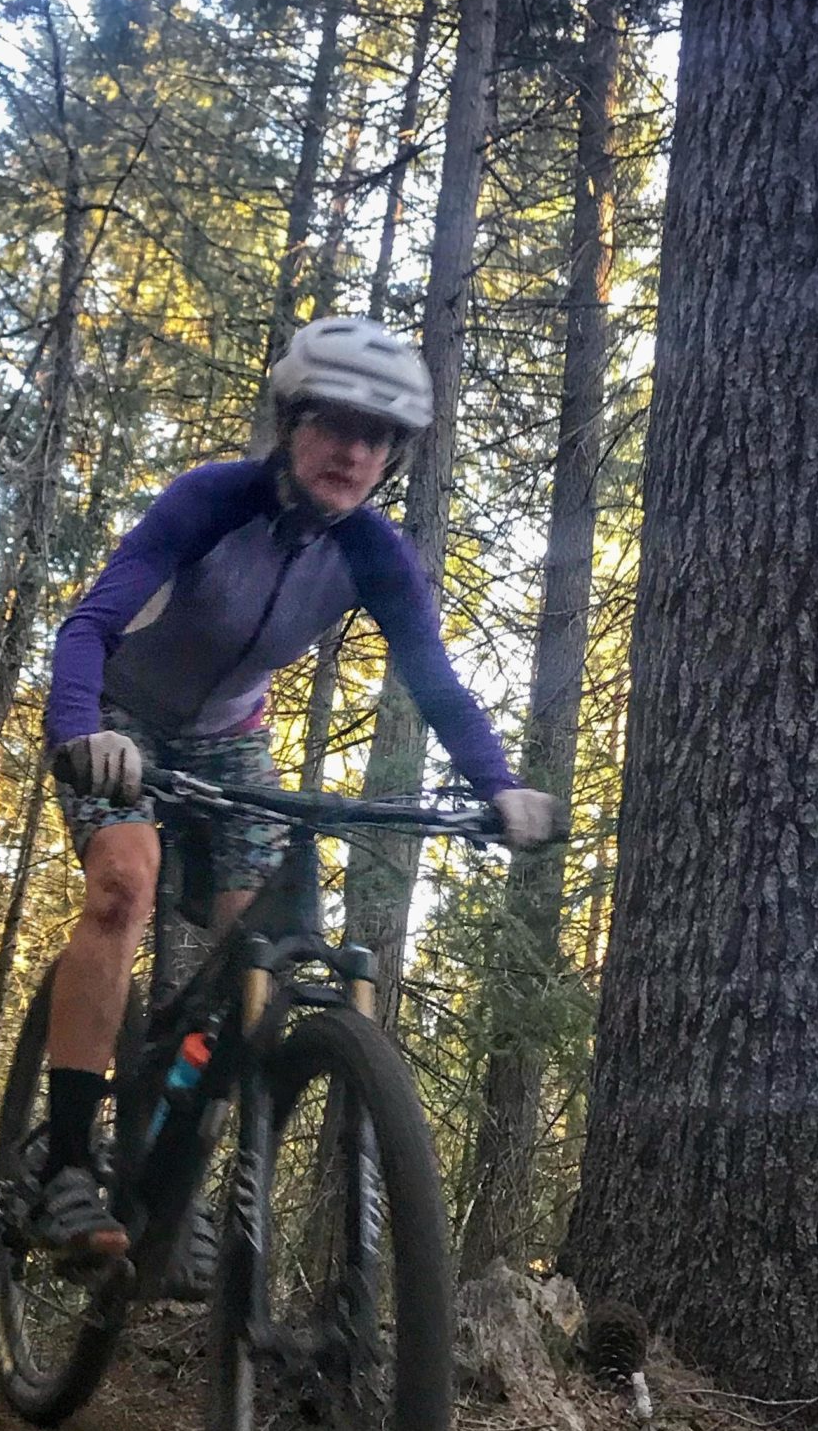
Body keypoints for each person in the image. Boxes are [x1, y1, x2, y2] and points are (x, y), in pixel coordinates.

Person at [37, 314, 563, 1278]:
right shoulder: (211, 500)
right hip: (119, 718)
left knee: (257, 970)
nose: (353, 451)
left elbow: (434, 680)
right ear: (291, 422)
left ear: (394, 459)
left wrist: (499, 786)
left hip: (232, 739)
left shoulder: (376, 552)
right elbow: (90, 623)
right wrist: (83, 730)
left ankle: (172, 1178)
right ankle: (67, 1163)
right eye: (335, 425)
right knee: (123, 883)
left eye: (378, 438)